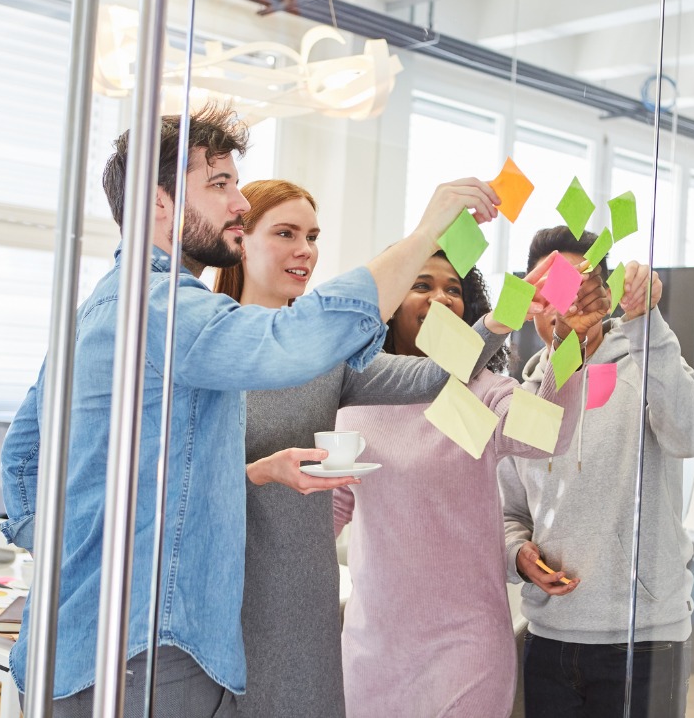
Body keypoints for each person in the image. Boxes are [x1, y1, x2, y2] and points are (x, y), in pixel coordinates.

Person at [0, 101, 501, 717]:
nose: (238, 203)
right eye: (219, 185)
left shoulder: (107, 308)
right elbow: (289, 344)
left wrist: (85, 559)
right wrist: (425, 234)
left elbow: (22, 463)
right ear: (158, 204)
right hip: (148, 649)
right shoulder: (162, 311)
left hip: (99, 641)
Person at [209, 179, 517, 717]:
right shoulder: (201, 344)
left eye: (312, 235)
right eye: (286, 233)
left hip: (304, 602)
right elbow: (163, 481)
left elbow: (435, 374)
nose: (305, 250)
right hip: (215, 589)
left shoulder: (329, 359)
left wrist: (498, 318)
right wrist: (255, 472)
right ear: (240, 240)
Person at [332, 250, 608, 717]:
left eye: (454, 290)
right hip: (375, 645)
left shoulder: (479, 389)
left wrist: (567, 345)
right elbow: (328, 509)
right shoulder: (354, 400)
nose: (441, 297)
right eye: (422, 285)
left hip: (467, 644)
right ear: (392, 304)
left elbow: (545, 436)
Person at [498, 226, 694, 718]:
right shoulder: (522, 397)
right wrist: (518, 554)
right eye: (553, 290)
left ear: (606, 295)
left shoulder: (646, 364)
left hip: (644, 637)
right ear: (534, 304)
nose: (570, 303)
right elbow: (510, 510)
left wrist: (646, 323)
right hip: (549, 637)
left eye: (584, 287)